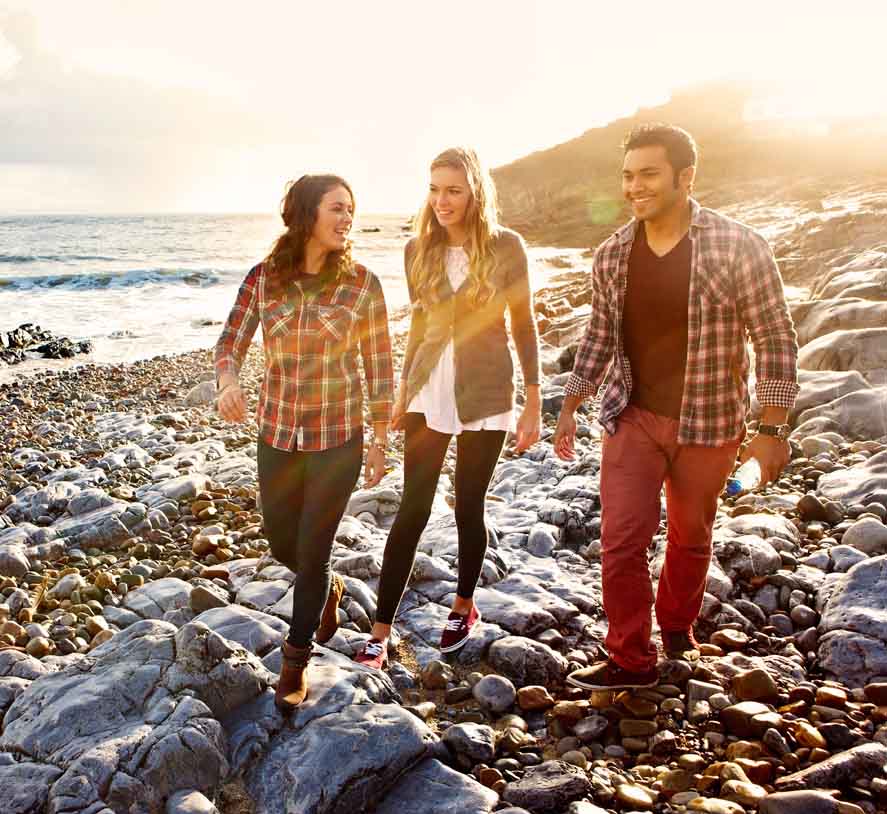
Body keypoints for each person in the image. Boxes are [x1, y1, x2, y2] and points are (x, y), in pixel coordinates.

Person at [553, 124, 799, 691]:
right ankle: (629, 659)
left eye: (648, 175)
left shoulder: (738, 245)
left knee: (691, 535)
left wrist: (772, 428)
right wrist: (571, 401)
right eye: (628, 176)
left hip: (709, 420)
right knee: (621, 541)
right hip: (631, 416)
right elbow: (598, 335)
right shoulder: (614, 253)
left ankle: (678, 628)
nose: (634, 187)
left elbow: (775, 337)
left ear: (686, 177)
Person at [354, 147, 542, 669]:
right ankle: (381, 630)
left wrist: (534, 398)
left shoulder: (507, 247)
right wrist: (400, 391)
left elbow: (523, 325)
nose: (441, 200)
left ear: (475, 191)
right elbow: (418, 322)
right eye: (434, 188)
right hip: (428, 388)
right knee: (412, 507)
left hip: (486, 390)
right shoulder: (418, 248)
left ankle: (464, 605)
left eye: (453, 190)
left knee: (467, 505)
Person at [214, 174, 393, 710]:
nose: (347, 219)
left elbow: (380, 367)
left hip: (338, 437)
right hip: (277, 433)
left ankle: (296, 660)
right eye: (337, 208)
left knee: (313, 552)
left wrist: (381, 437)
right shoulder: (264, 279)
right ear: (306, 214)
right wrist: (228, 381)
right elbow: (231, 341)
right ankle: (330, 591)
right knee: (280, 543)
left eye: (351, 210)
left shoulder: (363, 284)